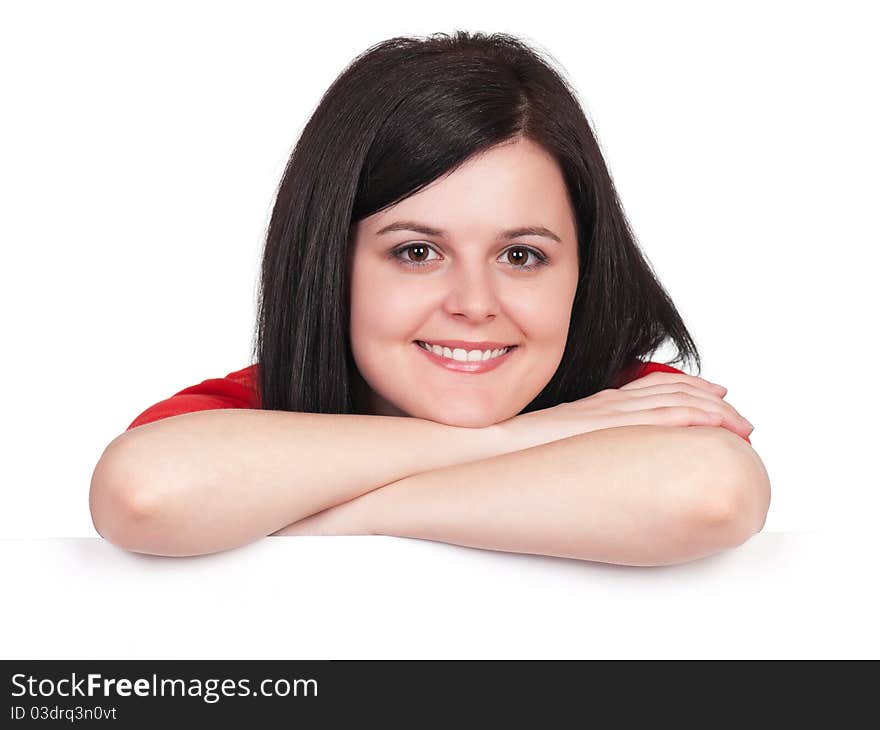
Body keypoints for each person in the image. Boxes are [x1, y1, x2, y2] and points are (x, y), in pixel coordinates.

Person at [89, 31, 769, 565]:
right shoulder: (245, 415)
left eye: (521, 255)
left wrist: (331, 520)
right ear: (332, 264)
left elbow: (711, 494)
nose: (475, 303)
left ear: (583, 272)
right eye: (417, 252)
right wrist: (524, 438)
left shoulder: (625, 400)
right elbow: (143, 492)